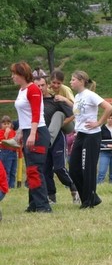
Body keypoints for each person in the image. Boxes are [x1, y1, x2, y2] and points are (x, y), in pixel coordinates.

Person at [69, 70, 112, 209]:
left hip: (92, 135)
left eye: (73, 79)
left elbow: (109, 108)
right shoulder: (77, 96)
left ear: (81, 81)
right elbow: (79, 116)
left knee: (87, 168)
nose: (70, 82)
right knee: (73, 168)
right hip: (81, 134)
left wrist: (99, 122)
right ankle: (90, 197)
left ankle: (88, 201)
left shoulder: (90, 95)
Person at [10, 61, 52, 213]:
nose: (12, 76)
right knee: (31, 170)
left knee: (35, 169)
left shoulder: (33, 89)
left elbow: (35, 113)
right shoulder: (22, 90)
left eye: (15, 73)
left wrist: (32, 134)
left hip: (38, 132)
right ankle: (34, 204)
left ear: (22, 74)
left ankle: (43, 205)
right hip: (28, 131)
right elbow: (24, 115)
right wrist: (21, 131)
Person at [34, 76, 80, 205]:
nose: (40, 88)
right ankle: (51, 196)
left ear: (47, 85)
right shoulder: (34, 102)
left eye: (42, 85)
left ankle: (74, 189)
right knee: (45, 169)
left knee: (59, 168)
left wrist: (63, 122)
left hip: (57, 139)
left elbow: (74, 112)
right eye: (37, 86)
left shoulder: (55, 100)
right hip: (42, 138)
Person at [0, 115, 18, 190]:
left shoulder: (13, 132)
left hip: (13, 152)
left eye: (8, 123)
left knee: (13, 171)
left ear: (11, 124)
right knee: (7, 170)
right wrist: (6, 133)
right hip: (5, 152)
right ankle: (6, 186)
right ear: (1, 125)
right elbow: (3, 141)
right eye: (4, 124)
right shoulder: (1, 132)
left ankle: (12, 185)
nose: (7, 125)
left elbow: (16, 142)